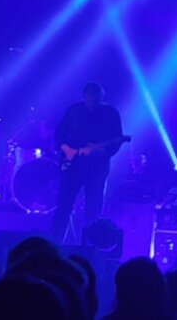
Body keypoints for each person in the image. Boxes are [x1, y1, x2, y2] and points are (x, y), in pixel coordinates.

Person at [50, 82, 126, 242]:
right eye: (88, 101)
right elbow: (60, 133)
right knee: (63, 206)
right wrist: (67, 150)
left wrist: (102, 151)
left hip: (97, 168)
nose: (91, 105)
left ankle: (91, 247)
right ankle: (54, 244)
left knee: (93, 209)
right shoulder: (74, 110)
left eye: (95, 101)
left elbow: (116, 140)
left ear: (101, 97)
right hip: (73, 166)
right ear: (84, 97)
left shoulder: (111, 113)